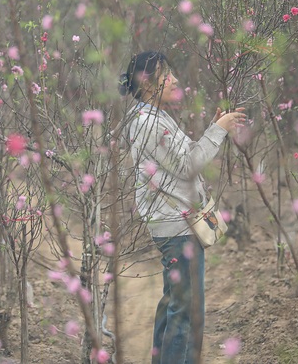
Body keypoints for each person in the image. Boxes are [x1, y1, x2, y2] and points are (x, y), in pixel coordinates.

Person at [118, 51, 245, 364]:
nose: (174, 80)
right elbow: (189, 164)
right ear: (148, 84)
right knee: (186, 310)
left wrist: (214, 127)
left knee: (173, 302)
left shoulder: (151, 116)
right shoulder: (149, 122)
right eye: (166, 75)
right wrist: (220, 130)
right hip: (177, 226)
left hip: (171, 222)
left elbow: (180, 156)